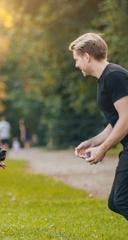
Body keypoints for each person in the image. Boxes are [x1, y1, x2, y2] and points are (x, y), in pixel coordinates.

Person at [69, 33, 128, 220]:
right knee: (116, 202)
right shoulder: (106, 78)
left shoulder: (114, 76)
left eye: (77, 59)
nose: (76, 64)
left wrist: (102, 149)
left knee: (121, 201)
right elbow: (116, 121)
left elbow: (126, 119)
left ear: (87, 56)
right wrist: (92, 142)